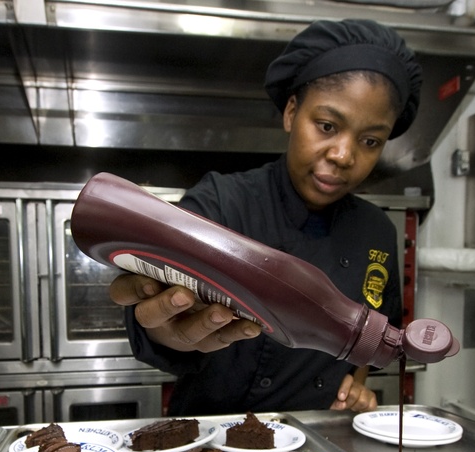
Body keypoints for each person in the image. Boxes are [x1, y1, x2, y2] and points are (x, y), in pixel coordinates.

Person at [109, 18, 422, 416]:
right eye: (327, 126)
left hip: (315, 445)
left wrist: (355, 384)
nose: (344, 155)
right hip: (215, 446)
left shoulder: (377, 230)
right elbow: (155, 313)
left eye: (370, 141)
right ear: (292, 112)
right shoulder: (222, 202)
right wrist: (167, 328)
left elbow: (375, 332)